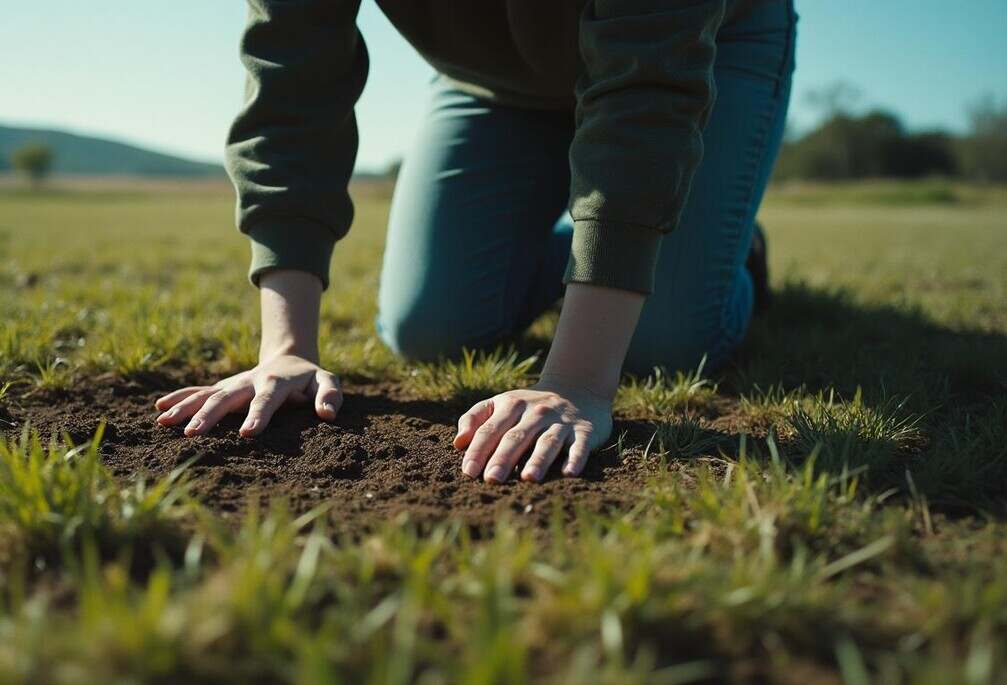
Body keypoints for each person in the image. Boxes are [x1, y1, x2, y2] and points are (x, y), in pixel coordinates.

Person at [155, 0, 797, 484]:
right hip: (491, 85)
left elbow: (646, 100)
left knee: (668, 341)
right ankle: (615, 244)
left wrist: (577, 382)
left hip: (706, 41)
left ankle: (724, 247)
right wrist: (287, 349)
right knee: (429, 328)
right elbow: (291, 90)